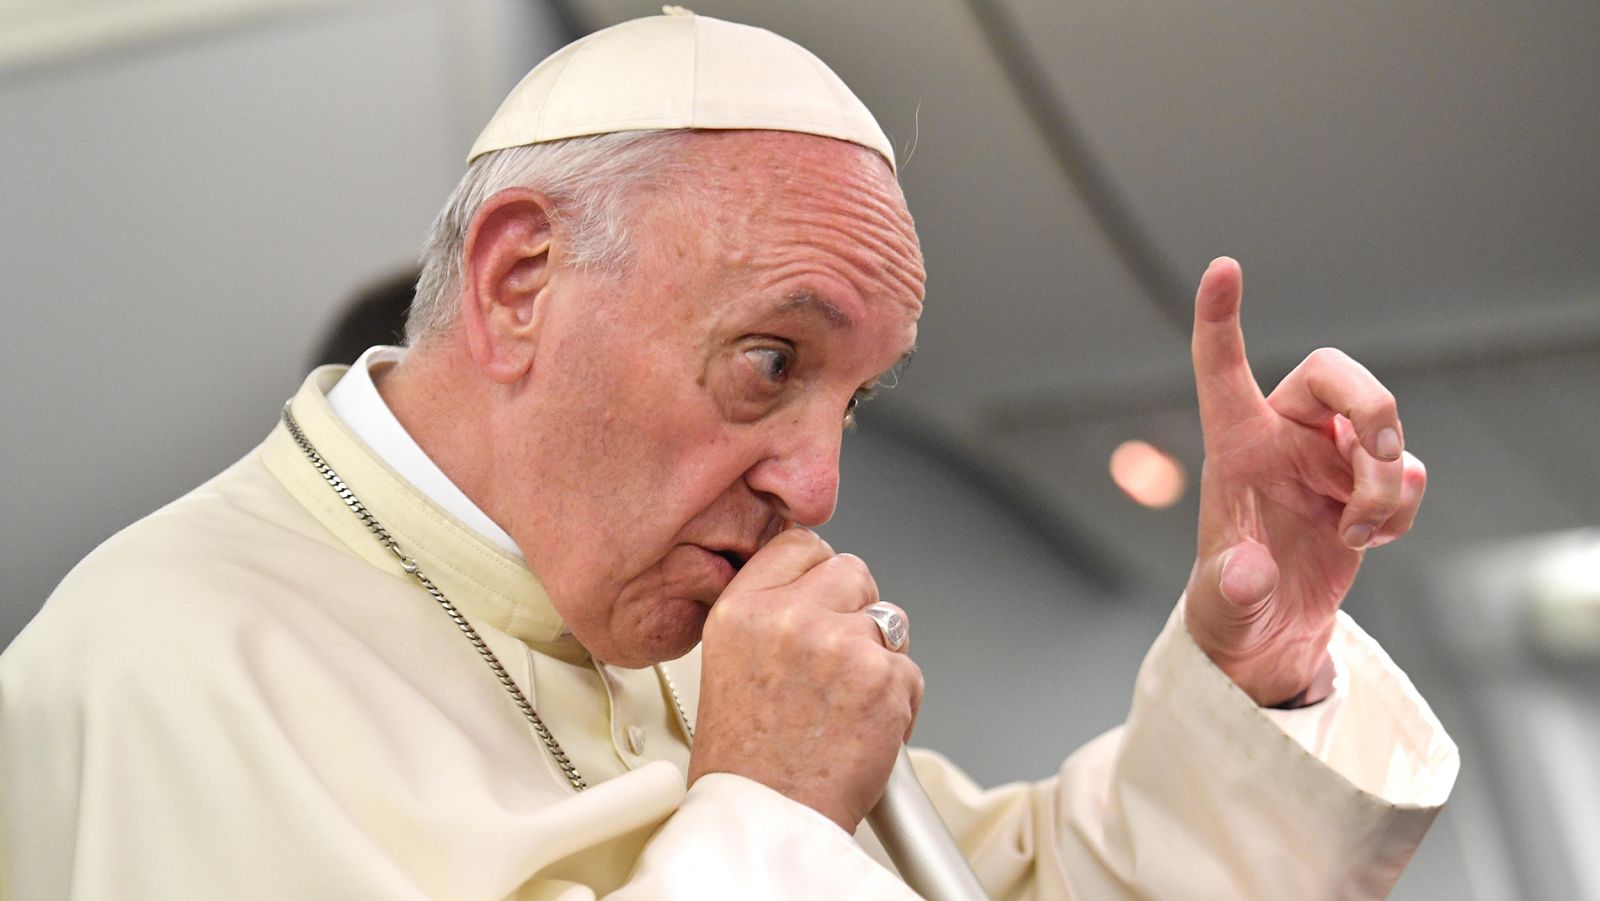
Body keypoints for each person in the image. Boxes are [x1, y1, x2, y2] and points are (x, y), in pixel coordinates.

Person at [0, 11, 1458, 899]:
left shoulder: (693, 646)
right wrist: (757, 807)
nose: (815, 486)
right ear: (522, 283)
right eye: (771, 363)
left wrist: (1262, 662)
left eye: (856, 400)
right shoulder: (166, 672)